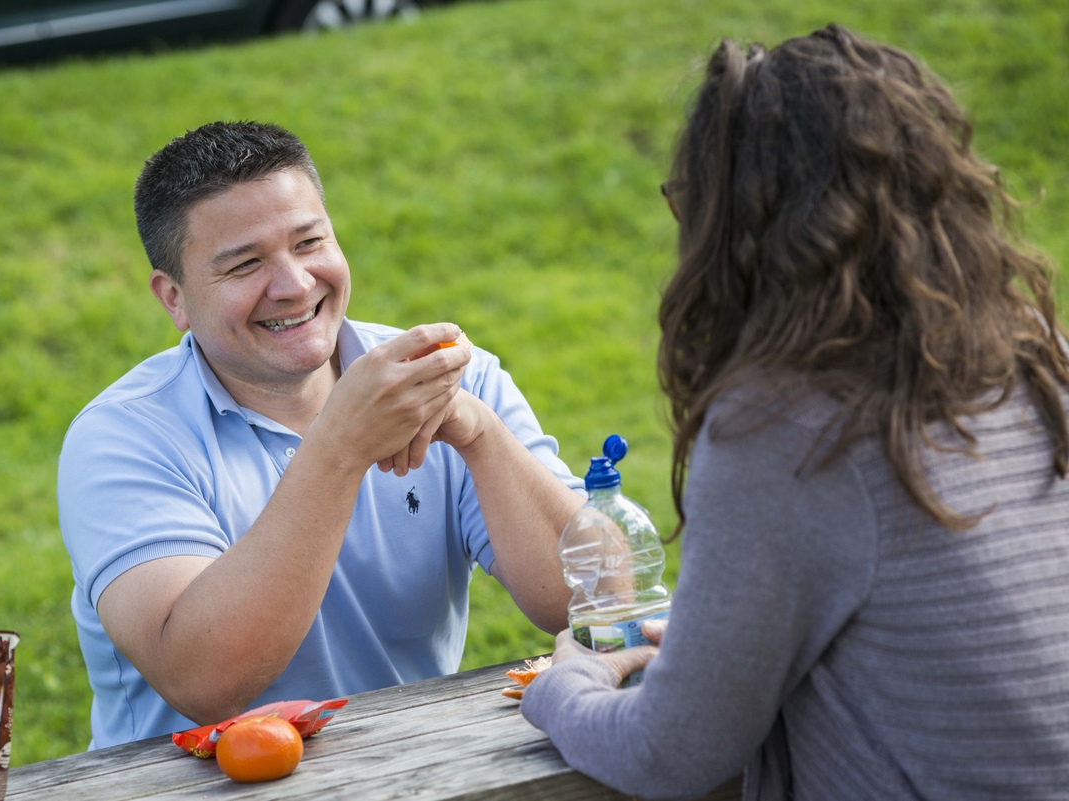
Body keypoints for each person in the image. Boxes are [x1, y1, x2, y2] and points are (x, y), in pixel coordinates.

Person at [521, 23, 1069, 801]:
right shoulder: (1040, 355)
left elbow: (670, 753)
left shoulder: (783, 428)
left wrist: (564, 687)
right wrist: (721, 647)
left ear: (736, 228)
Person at [58, 121, 585, 749]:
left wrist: (477, 432)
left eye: (309, 242)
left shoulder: (445, 375)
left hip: (419, 776)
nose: (295, 284)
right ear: (174, 297)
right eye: (246, 264)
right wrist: (339, 447)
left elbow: (598, 603)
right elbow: (204, 681)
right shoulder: (122, 437)